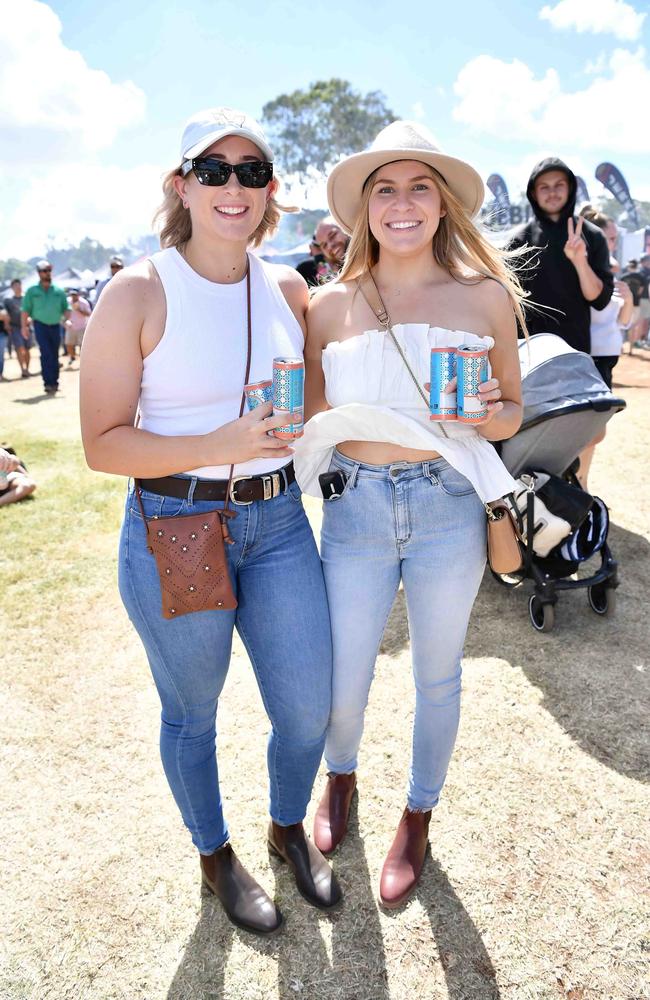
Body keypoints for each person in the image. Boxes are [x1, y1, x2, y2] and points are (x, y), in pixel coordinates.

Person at [80, 106, 338, 937]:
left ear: (271, 192)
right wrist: (218, 440)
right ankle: (214, 853)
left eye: (253, 171)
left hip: (279, 524)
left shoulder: (291, 288)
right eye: (216, 170)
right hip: (176, 526)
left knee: (306, 709)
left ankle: (287, 828)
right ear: (182, 185)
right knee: (192, 713)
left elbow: (311, 399)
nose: (236, 186)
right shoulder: (138, 290)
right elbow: (101, 445)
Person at [293, 120, 526, 908]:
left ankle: (419, 812)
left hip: (448, 504)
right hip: (353, 507)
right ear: (363, 208)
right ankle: (343, 778)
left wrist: (490, 411)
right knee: (344, 677)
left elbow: (510, 416)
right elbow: (315, 423)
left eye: (418, 186)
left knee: (437, 675)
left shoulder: (485, 295)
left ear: (442, 203)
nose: (401, 203)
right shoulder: (326, 307)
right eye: (384, 189)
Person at [509, 158, 613, 353]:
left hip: (576, 351)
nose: (552, 193)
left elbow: (600, 301)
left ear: (570, 188)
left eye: (559, 185)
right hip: (529, 352)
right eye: (544, 187)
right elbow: (508, 305)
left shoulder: (592, 236)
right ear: (533, 193)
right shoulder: (518, 241)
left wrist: (580, 261)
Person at [575, 212, 634, 489]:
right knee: (591, 431)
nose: (612, 243)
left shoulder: (608, 268)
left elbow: (621, 323)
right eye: (609, 237)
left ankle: (581, 482)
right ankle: (575, 483)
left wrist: (628, 299)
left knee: (594, 432)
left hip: (606, 361)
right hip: (589, 360)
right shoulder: (581, 270)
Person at [21, 261, 70, 395]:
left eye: (48, 270)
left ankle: (55, 382)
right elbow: (25, 310)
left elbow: (66, 309)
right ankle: (47, 383)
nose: (46, 273)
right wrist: (24, 327)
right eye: (44, 270)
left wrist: (68, 320)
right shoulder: (32, 291)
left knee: (54, 354)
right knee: (46, 353)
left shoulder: (59, 291)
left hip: (55, 326)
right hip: (40, 326)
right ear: (39, 273)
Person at [3, 279, 33, 378]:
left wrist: (29, 318)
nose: (18, 287)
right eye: (16, 286)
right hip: (15, 327)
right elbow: (5, 313)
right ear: (12, 288)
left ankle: (27, 369)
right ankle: (22, 369)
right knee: (19, 348)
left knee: (27, 349)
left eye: (19, 285)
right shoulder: (8, 300)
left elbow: (33, 311)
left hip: (27, 327)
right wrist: (7, 325)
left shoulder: (27, 298)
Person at [64, 289, 91, 365]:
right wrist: (65, 320)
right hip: (70, 326)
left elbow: (89, 314)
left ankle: (83, 361)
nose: (73, 296)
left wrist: (79, 309)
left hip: (81, 327)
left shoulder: (84, 302)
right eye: (72, 295)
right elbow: (64, 312)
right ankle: (72, 357)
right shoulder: (67, 301)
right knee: (69, 344)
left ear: (78, 295)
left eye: (75, 295)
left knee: (82, 346)